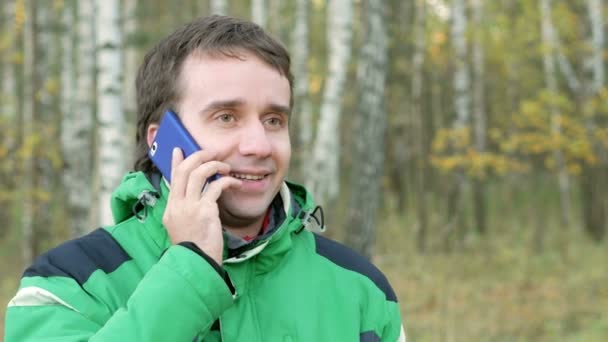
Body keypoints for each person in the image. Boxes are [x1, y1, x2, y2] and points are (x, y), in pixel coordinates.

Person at [4, 15, 405, 341]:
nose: (259, 145)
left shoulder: (361, 289)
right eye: (226, 117)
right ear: (161, 142)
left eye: (274, 120)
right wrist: (190, 270)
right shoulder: (67, 283)